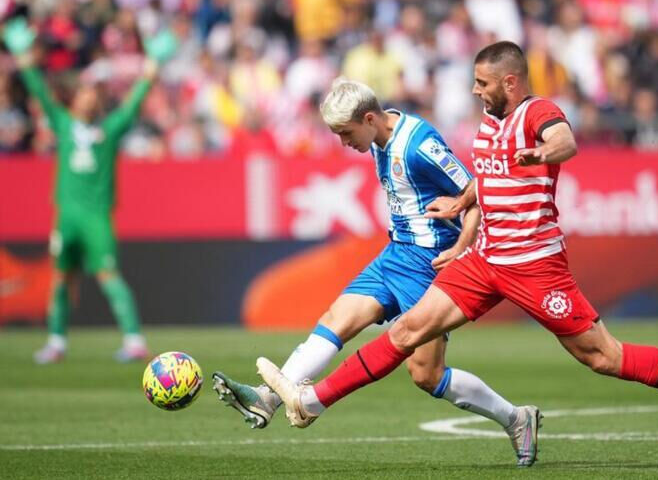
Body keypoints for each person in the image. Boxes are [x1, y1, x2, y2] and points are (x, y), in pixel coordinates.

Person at [255, 42, 658, 458]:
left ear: (510, 82)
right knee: (410, 331)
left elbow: (565, 141)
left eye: (482, 83)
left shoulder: (534, 112)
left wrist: (542, 152)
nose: (476, 92)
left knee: (604, 357)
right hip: (485, 260)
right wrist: (462, 206)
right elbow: (489, 178)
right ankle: (311, 403)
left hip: (536, 265)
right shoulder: (490, 124)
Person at [212, 78, 542, 467]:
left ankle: (516, 418)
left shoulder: (419, 145)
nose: (343, 143)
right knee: (337, 318)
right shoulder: (377, 137)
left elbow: (476, 192)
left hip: (428, 266)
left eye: (346, 134)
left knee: (426, 375)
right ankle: (266, 399)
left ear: (369, 118)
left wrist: (460, 248)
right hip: (395, 255)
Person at [2, 18, 178, 363]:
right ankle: (56, 341)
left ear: (97, 103)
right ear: (73, 100)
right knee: (61, 276)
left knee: (109, 275)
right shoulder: (63, 123)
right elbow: (38, 90)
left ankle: (134, 339)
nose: (87, 99)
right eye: (82, 93)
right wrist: (23, 56)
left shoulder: (109, 130)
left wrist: (152, 65)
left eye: (92, 95)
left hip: (97, 216)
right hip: (66, 215)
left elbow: (133, 104)